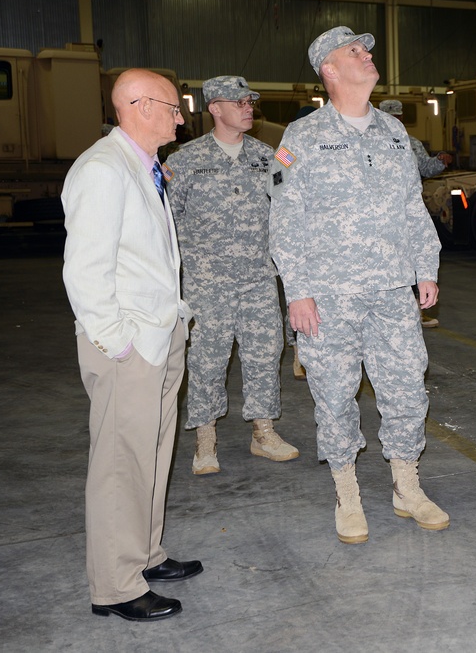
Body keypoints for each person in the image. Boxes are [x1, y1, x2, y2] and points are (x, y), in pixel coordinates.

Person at [268, 26, 449, 544]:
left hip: (393, 292)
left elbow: (413, 207)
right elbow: (283, 218)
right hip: (328, 296)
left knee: (407, 389)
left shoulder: (394, 133)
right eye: (355, 51)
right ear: (329, 69)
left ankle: (406, 487)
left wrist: (426, 267)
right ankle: (347, 495)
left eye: (366, 49)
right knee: (334, 396)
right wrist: (297, 291)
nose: (367, 56)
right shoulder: (299, 139)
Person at [62, 69, 202, 621]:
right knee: (121, 464)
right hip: (128, 344)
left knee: (153, 452)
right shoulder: (103, 170)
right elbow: (85, 270)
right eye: (172, 106)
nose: (180, 116)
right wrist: (117, 343)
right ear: (140, 106)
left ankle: (144, 554)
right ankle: (117, 587)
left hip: (159, 332)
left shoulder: (141, 166)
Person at [165, 76, 299, 475]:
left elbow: (289, 211)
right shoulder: (184, 161)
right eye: (238, 101)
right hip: (208, 283)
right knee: (207, 359)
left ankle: (263, 431)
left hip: (259, 278)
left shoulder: (270, 156)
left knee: (264, 353)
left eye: (250, 101)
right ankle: (205, 440)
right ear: (214, 108)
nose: (247, 107)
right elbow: (166, 223)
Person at [377, 98, 453, 329]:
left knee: (412, 260)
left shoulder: (409, 143)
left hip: (407, 212)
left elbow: (426, 168)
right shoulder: (370, 142)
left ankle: (417, 312)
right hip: (379, 215)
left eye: (399, 116)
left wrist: (439, 161)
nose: (396, 119)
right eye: (391, 116)